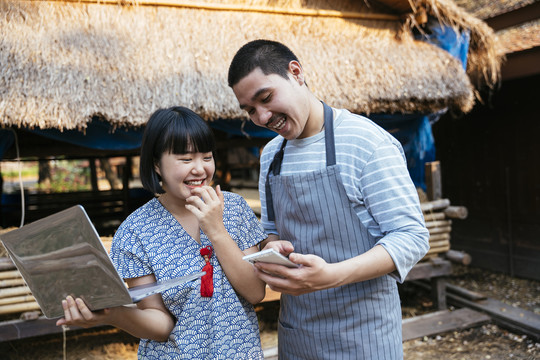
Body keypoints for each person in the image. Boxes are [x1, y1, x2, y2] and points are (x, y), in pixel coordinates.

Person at [228, 39, 430, 359]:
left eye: (265, 98)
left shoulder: (365, 142)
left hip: (363, 335)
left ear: (296, 73)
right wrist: (272, 247)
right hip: (298, 333)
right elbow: (271, 229)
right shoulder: (271, 156)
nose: (263, 116)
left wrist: (331, 276)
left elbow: (412, 238)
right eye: (250, 110)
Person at [56, 106, 267, 359]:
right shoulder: (136, 231)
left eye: (207, 157)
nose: (199, 169)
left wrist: (216, 229)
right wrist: (113, 314)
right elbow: (162, 325)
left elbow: (255, 292)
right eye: (186, 159)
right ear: (157, 164)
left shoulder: (234, 208)